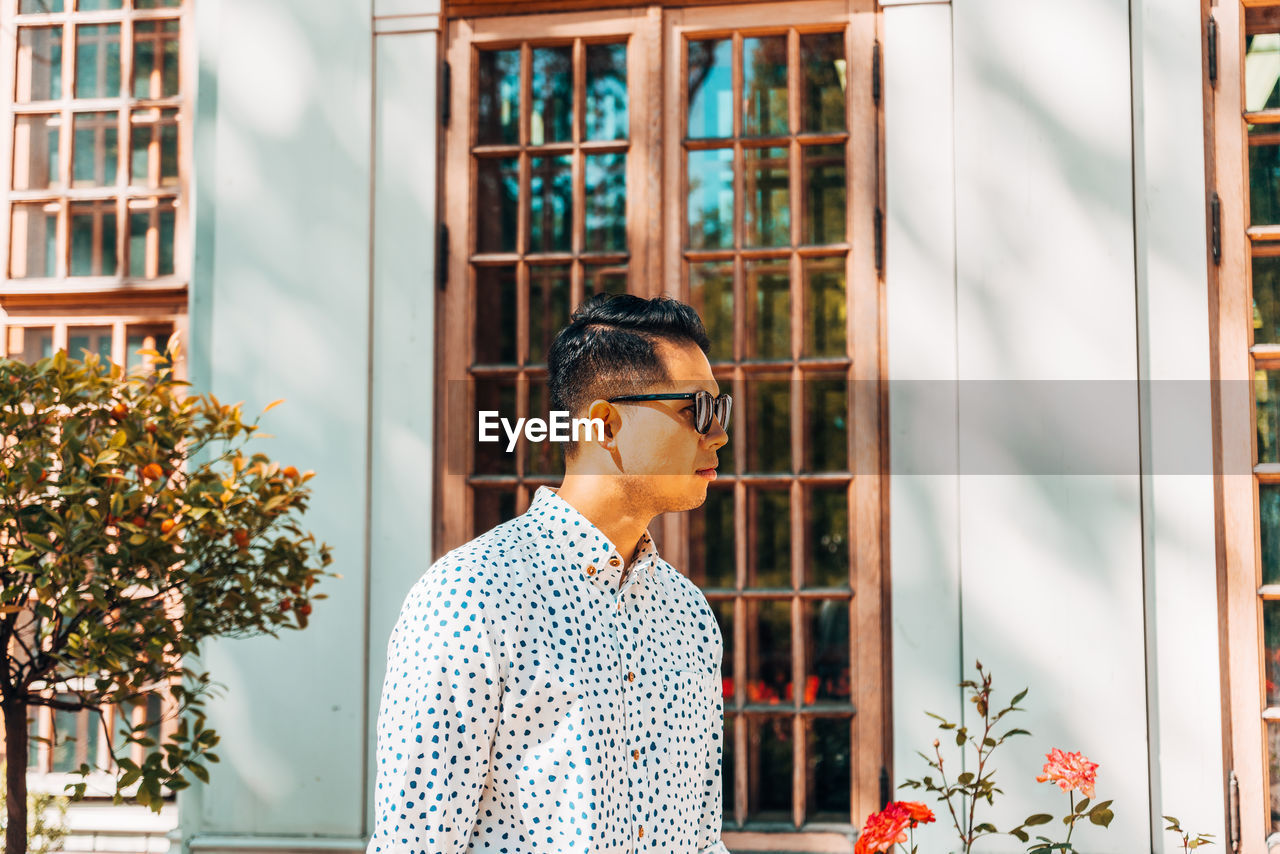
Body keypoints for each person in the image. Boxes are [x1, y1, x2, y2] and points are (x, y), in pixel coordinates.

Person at [368, 294, 732, 854]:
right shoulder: (470, 598)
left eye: (721, 409)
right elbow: (415, 844)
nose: (718, 434)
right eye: (697, 410)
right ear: (605, 425)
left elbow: (703, 841)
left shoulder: (688, 614)